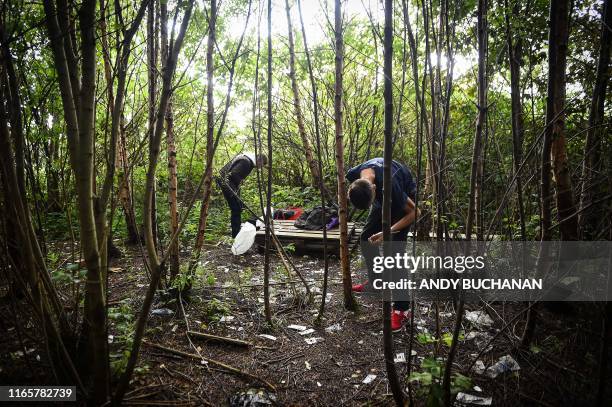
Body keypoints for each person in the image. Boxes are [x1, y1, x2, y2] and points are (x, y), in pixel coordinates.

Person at [346, 157, 419, 332]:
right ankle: (376, 283)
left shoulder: (391, 185)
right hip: (381, 201)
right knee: (366, 239)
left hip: (404, 207)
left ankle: (402, 309)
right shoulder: (353, 175)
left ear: (374, 188)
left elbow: (415, 212)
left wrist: (387, 232)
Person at [217, 152, 267, 238]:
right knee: (236, 209)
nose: (260, 167)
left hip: (228, 183)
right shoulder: (246, 162)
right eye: (261, 165)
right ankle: (236, 236)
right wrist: (240, 182)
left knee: (239, 207)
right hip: (226, 182)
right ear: (259, 160)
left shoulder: (247, 160)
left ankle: (237, 232)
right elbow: (234, 174)